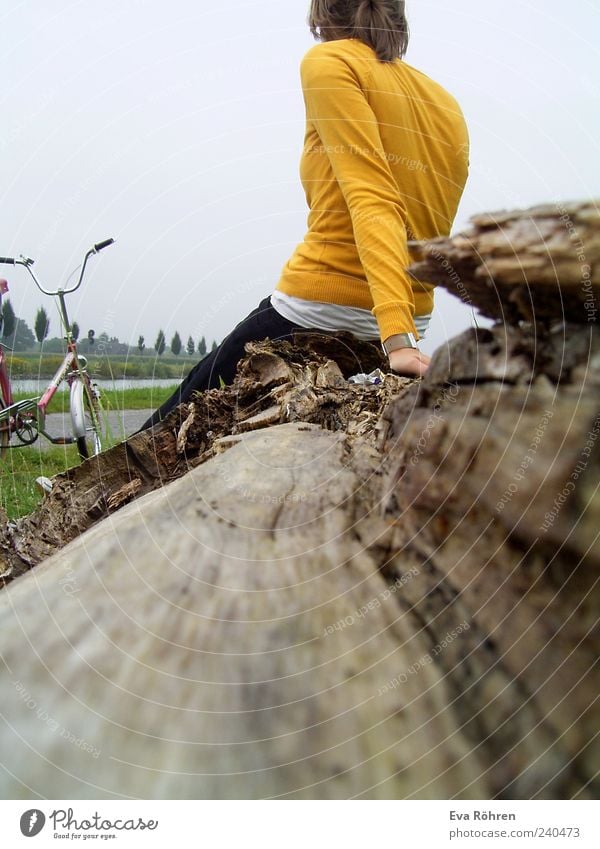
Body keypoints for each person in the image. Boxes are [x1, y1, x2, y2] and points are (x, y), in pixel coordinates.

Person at [139, 0, 469, 431]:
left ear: (324, 13)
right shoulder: (446, 102)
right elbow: (429, 216)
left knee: (179, 416)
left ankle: (108, 494)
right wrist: (401, 326)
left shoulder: (331, 62)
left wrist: (397, 336)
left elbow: (373, 198)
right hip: (413, 308)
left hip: (326, 307)